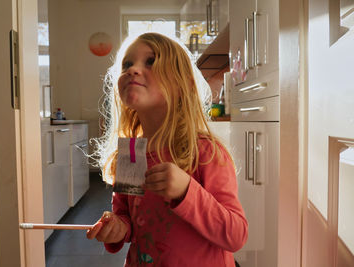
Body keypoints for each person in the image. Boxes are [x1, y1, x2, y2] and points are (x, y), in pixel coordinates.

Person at [87, 32, 248, 267]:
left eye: (151, 61)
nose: (133, 69)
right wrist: (118, 228)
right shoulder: (131, 153)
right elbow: (128, 220)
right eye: (127, 64)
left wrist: (186, 191)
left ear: (183, 84)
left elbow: (236, 235)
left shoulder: (205, 152)